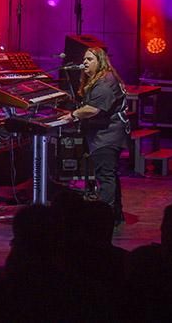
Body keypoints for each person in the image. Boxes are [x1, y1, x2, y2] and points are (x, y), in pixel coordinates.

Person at [65, 46, 129, 223]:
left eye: (89, 59)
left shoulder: (105, 82)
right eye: (84, 59)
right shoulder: (102, 79)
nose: (84, 62)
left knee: (106, 177)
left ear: (100, 61)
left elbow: (93, 109)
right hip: (106, 135)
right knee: (109, 175)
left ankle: (105, 218)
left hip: (107, 136)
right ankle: (115, 215)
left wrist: (73, 115)